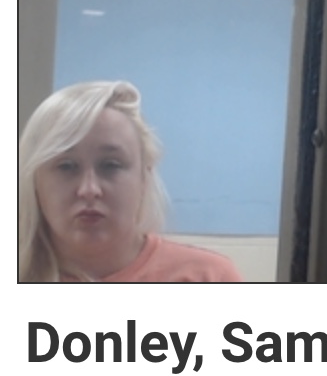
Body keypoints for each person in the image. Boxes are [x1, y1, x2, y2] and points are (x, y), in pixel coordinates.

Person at [19, 80, 243, 282]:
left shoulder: (208, 277)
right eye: (66, 166)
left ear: (144, 177)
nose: (89, 190)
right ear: (35, 182)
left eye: (110, 165)